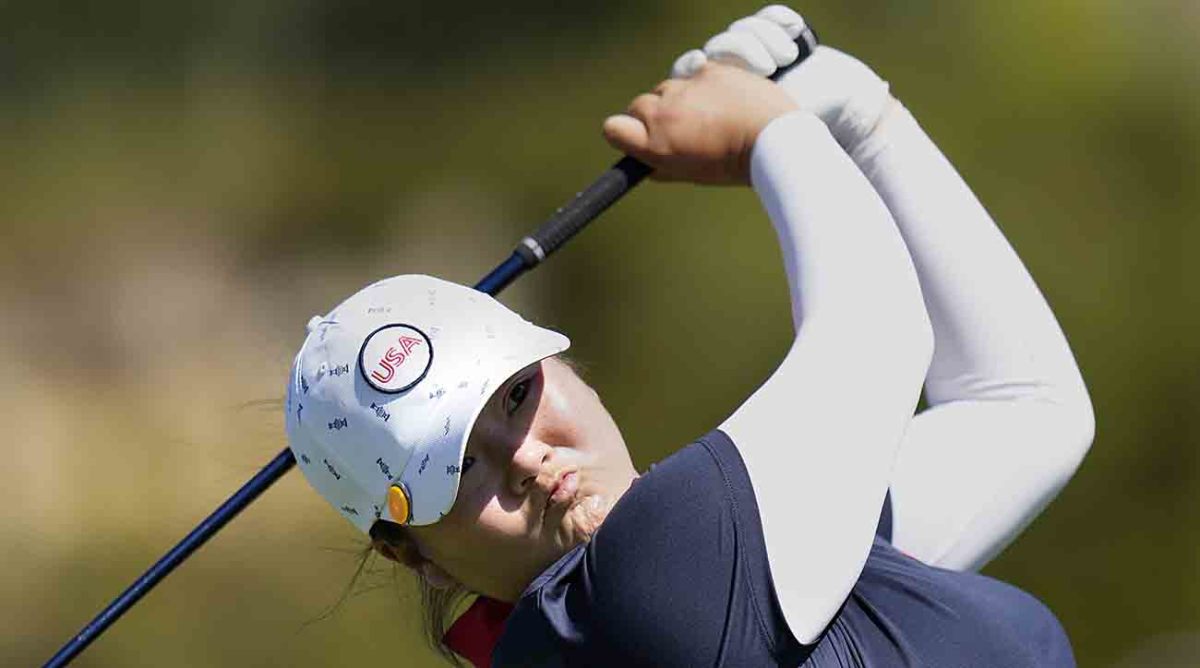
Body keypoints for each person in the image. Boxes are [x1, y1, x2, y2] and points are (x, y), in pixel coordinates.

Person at [283, 6, 1095, 666]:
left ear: (562, 365)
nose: (527, 458)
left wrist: (866, 123)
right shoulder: (654, 580)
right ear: (411, 554)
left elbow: (1024, 409)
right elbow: (878, 333)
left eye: (518, 394)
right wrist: (770, 130)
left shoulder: (685, 586)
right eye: (455, 466)